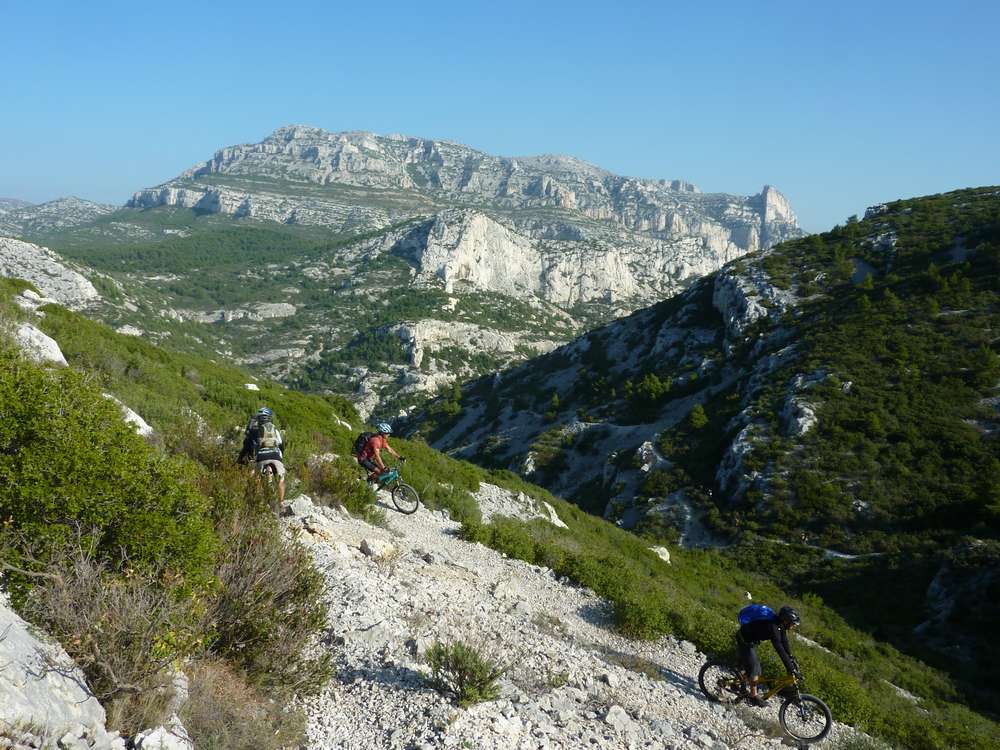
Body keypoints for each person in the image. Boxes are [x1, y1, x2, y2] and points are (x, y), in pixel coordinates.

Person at [736, 605, 800, 706]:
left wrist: (791, 658)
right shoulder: (773, 627)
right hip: (744, 639)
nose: (793, 626)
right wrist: (790, 668)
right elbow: (779, 648)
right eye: (792, 623)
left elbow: (784, 642)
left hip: (752, 640)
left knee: (756, 668)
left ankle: (741, 682)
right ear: (786, 620)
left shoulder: (780, 625)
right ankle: (753, 696)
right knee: (755, 668)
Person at [238, 406, 286, 503]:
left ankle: (257, 499)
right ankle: (281, 503)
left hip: (261, 457)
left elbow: (248, 444)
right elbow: (281, 444)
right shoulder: (275, 430)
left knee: (255, 477)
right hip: (276, 456)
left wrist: (241, 460)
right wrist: (280, 456)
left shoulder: (254, 431)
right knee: (281, 479)